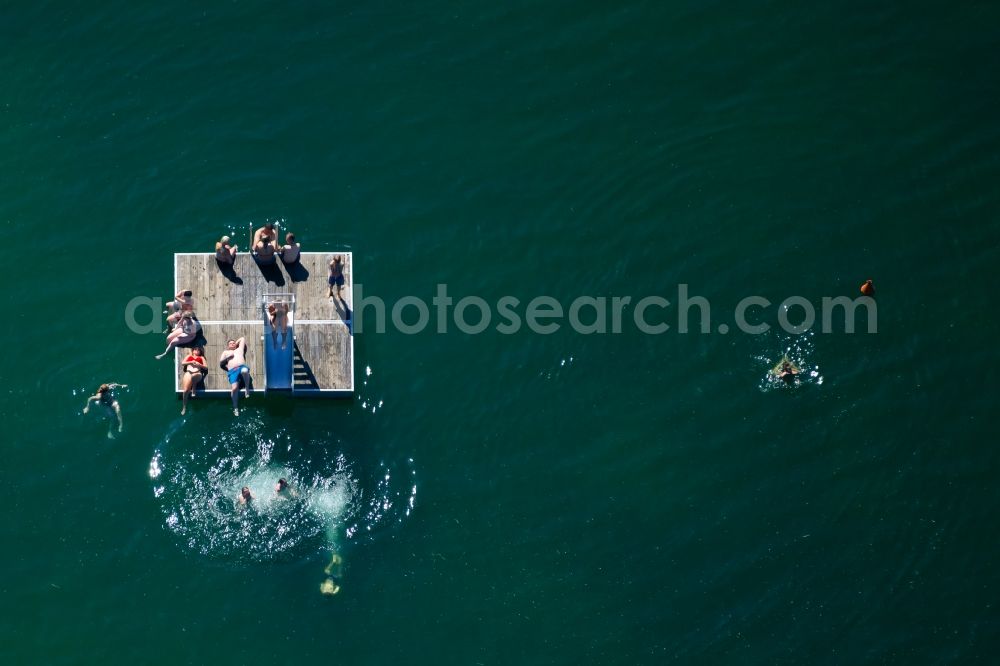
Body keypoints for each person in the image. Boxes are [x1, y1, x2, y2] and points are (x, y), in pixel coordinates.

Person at [220, 337, 252, 415]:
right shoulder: (226, 352)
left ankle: (247, 389)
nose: (232, 344)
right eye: (230, 343)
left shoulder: (239, 349)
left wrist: (236, 344)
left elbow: (243, 338)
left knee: (244, 371)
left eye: (233, 343)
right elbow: (221, 363)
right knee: (234, 389)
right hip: (232, 370)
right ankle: (235, 408)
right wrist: (228, 357)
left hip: (241, 367)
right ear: (228, 345)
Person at [180, 345, 208, 415]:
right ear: (193, 350)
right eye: (195, 349)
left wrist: (199, 364)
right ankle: (184, 406)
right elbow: (183, 363)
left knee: (194, 376)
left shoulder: (201, 357)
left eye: (198, 350)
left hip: (197, 373)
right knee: (186, 390)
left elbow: (206, 368)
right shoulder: (189, 356)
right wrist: (190, 362)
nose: (197, 351)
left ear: (200, 352)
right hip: (188, 372)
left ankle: (194, 387)